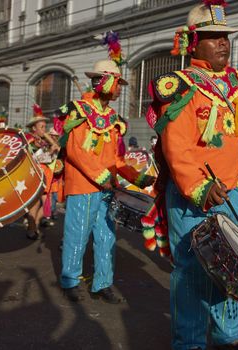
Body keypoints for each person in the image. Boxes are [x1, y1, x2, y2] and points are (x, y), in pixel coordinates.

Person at [146, 3, 238, 349]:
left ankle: (229, 337)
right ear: (192, 43)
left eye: (225, 37)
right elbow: (175, 145)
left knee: (235, 267)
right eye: (212, 37)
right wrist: (199, 186)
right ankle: (188, 342)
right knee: (191, 270)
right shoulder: (180, 85)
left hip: (230, 194)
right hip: (193, 195)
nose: (222, 43)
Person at [58, 57, 155, 303]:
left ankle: (103, 282)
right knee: (77, 234)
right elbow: (75, 150)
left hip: (107, 188)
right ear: (104, 81)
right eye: (117, 82)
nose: (120, 88)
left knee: (106, 236)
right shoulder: (78, 110)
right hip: (83, 186)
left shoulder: (112, 118)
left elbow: (117, 159)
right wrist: (101, 176)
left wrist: (138, 177)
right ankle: (70, 280)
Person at [25, 105, 60, 239]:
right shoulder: (29, 139)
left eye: (45, 127)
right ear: (34, 128)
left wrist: (53, 149)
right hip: (34, 175)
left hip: (46, 176)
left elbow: (49, 159)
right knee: (34, 203)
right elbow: (33, 158)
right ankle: (31, 228)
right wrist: (50, 152)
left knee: (47, 204)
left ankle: (35, 224)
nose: (44, 130)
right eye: (42, 127)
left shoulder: (43, 140)